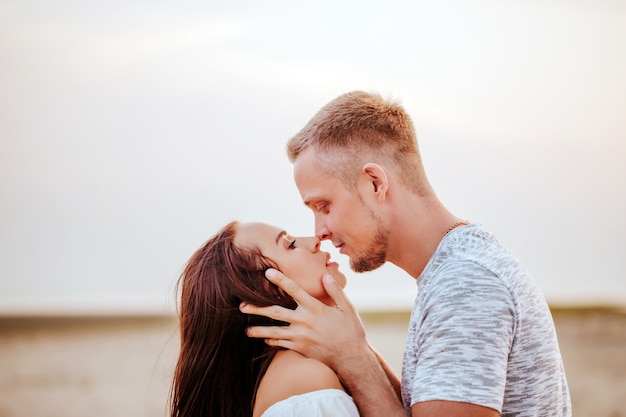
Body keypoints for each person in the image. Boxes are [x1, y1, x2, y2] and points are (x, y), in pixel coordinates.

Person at [240, 91, 572, 417]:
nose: (319, 231)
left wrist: (353, 358)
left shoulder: (465, 285)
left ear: (374, 183)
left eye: (324, 206)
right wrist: (356, 345)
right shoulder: (455, 272)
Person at [169, 220, 386, 417]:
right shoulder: (307, 382)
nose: (315, 241)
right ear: (266, 288)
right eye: (290, 244)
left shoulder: (284, 378)